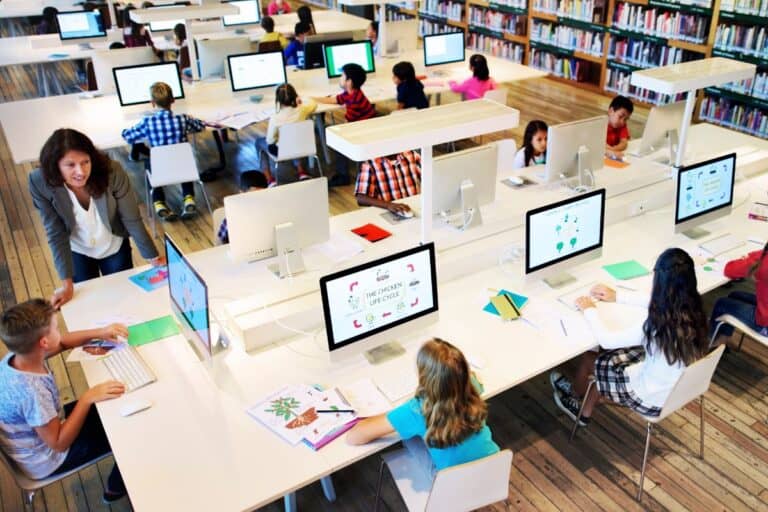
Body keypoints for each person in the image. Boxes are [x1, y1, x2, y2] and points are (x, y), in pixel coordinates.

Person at [551, 248, 710, 426]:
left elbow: (607, 340)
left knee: (591, 358)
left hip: (649, 399)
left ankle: (575, 397)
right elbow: (659, 303)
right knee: (612, 359)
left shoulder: (655, 325)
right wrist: (618, 296)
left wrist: (589, 310)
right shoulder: (694, 309)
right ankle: (586, 410)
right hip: (677, 390)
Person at [0, 299, 128, 502]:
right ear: (43, 342)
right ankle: (115, 488)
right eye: (56, 328)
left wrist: (100, 332)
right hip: (47, 458)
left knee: (113, 406)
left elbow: (63, 342)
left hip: (45, 430)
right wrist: (86, 398)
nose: (59, 332)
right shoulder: (32, 392)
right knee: (126, 430)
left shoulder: (18, 357)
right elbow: (58, 443)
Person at [28, 129, 162, 308]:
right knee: (89, 305)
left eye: (85, 162)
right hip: (77, 249)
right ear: (55, 165)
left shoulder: (112, 171)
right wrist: (67, 283)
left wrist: (152, 257)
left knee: (124, 300)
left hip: (113, 245)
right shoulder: (39, 181)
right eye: (71, 165)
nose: (81, 171)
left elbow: (132, 219)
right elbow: (55, 232)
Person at [347, 338, 499, 471]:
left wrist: (396, 414)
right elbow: (474, 378)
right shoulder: (471, 387)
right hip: (493, 470)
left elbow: (354, 437)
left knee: (410, 438)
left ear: (425, 378)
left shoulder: (416, 410)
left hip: (449, 486)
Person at [121, 81, 213, 222]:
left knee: (148, 162)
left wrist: (124, 130)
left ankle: (159, 203)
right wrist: (192, 119)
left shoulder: (148, 122)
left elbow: (128, 136)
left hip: (160, 170)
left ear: (152, 103)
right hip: (184, 168)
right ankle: (189, 199)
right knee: (183, 158)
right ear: (173, 100)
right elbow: (200, 126)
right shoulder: (182, 119)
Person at [314, 63, 377, 187]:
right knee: (334, 133)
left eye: (342, 75)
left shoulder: (354, 100)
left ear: (349, 81)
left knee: (338, 140)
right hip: (361, 126)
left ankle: (343, 176)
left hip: (363, 130)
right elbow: (334, 100)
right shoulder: (351, 93)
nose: (340, 78)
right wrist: (312, 99)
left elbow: (348, 124)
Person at [256, 83, 317, 185]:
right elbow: (313, 103)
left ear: (278, 100)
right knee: (294, 138)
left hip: (283, 151)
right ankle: (301, 171)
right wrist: (300, 101)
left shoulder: (275, 117)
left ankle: (269, 179)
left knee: (258, 142)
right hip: (303, 147)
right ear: (295, 96)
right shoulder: (302, 110)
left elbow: (270, 140)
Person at [710, 242, 768, 339]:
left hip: (765, 323)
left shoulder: (763, 263)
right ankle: (722, 341)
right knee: (735, 295)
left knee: (721, 303)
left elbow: (729, 269)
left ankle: (709, 344)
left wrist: (748, 259)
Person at [355, 150, 421, 215]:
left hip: (413, 208)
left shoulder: (412, 155)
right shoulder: (369, 164)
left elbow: (429, 176)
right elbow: (361, 198)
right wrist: (388, 205)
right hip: (387, 211)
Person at [217, 171, 268, 244]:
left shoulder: (270, 210)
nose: (257, 200)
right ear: (241, 194)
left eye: (262, 195)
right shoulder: (233, 215)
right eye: (253, 196)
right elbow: (222, 239)